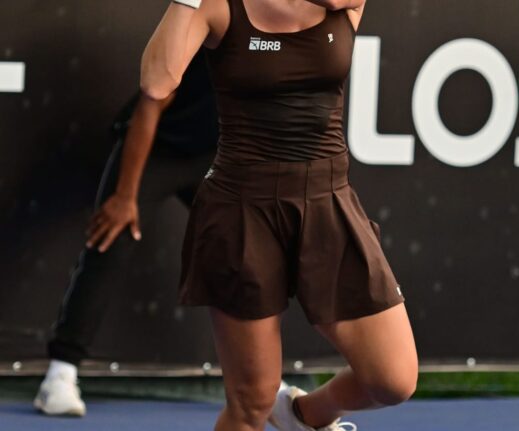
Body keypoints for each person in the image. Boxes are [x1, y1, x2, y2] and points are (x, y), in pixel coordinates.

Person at [142, 0, 419, 430]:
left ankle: (305, 416)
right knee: (251, 402)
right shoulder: (217, 6)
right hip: (241, 209)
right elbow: (157, 82)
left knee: (393, 379)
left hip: (328, 202)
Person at [33, 48, 219, 417]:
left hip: (215, 155)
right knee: (112, 237)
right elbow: (151, 104)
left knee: (246, 250)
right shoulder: (205, 27)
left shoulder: (289, 39)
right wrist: (124, 196)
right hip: (156, 146)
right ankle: (60, 374)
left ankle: (261, 378)